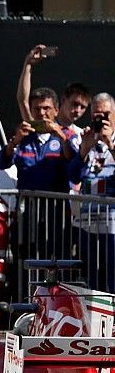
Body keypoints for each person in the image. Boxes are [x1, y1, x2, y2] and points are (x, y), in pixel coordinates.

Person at [69, 92, 115, 291]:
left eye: (106, 114)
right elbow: (72, 177)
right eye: (97, 115)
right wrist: (83, 151)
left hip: (112, 223)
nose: (101, 119)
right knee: (90, 275)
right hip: (87, 220)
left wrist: (110, 144)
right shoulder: (83, 139)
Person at [16, 45, 89, 136]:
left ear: (56, 110)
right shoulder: (40, 128)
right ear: (63, 100)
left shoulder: (79, 135)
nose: (42, 113)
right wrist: (28, 64)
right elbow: (23, 101)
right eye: (75, 104)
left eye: (83, 107)